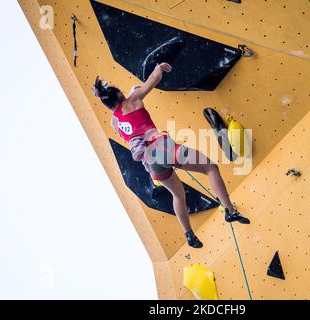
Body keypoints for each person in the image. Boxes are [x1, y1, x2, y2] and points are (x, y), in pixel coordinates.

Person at [93, 62, 250, 248]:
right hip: (161, 146)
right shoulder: (133, 99)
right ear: (119, 94)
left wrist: (122, 97)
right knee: (210, 168)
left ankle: (189, 235)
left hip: (150, 163)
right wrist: (159, 67)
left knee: (178, 195)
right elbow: (153, 79)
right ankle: (229, 210)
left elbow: (127, 120)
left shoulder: (114, 122)